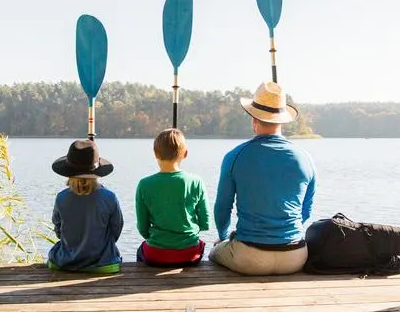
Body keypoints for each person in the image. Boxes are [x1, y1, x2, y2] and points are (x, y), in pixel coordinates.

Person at [211, 81, 316, 276]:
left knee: (214, 252)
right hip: (295, 256)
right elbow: (306, 210)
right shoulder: (305, 158)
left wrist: (224, 237)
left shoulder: (235, 156)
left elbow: (222, 207)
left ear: (253, 119)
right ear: (282, 120)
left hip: (249, 258)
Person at [134, 128, 211, 266]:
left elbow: (142, 227)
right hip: (190, 254)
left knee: (141, 251)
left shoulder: (144, 184)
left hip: (156, 254)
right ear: (185, 154)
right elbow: (205, 223)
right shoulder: (196, 181)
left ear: (155, 153)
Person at [47, 139, 124, 274]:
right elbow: (116, 229)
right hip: (104, 264)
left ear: (68, 171)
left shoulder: (61, 198)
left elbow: (59, 231)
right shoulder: (109, 197)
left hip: (66, 262)